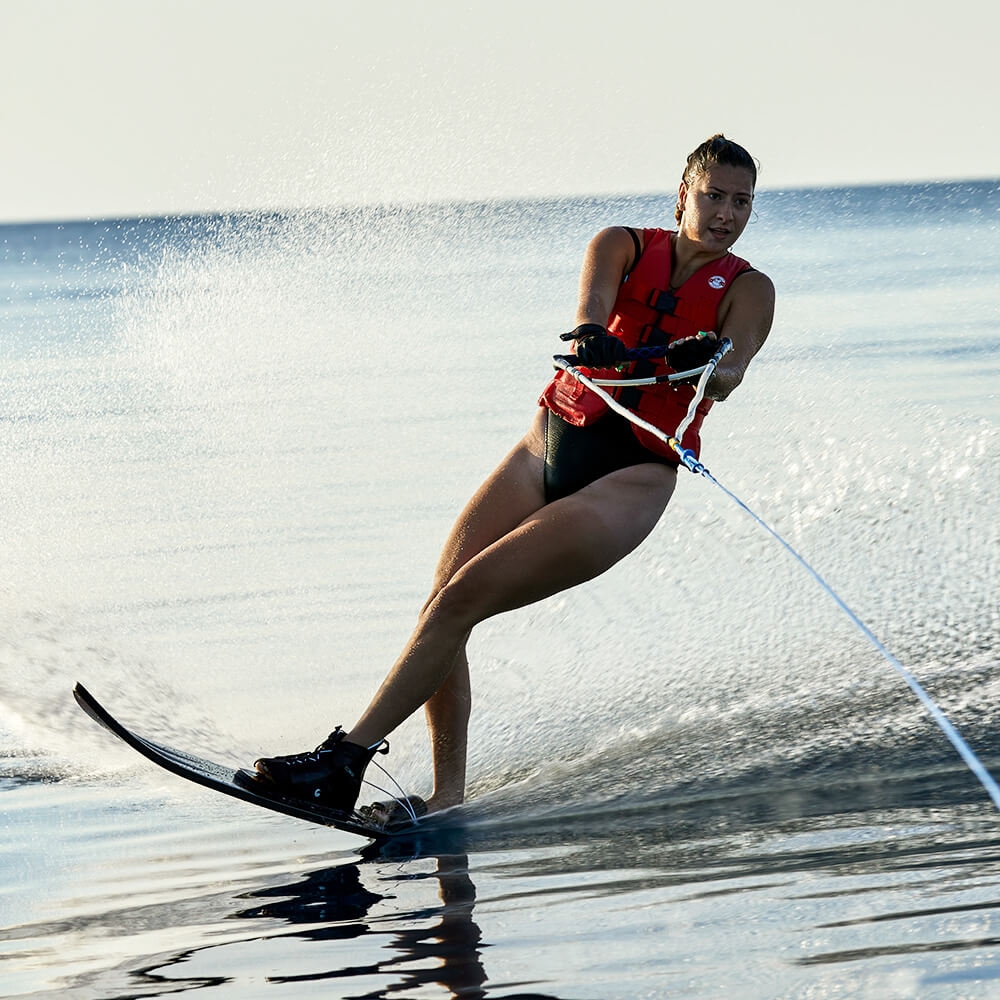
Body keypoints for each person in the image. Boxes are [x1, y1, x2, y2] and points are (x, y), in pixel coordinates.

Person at [250, 134, 775, 821]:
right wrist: (592, 332)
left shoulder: (749, 289)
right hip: (546, 444)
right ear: (685, 195)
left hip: (630, 479)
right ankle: (446, 796)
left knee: (462, 599)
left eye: (742, 202)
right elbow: (591, 304)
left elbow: (732, 375)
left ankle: (343, 762)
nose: (726, 214)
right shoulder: (620, 243)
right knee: (442, 602)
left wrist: (710, 359)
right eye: (714, 196)